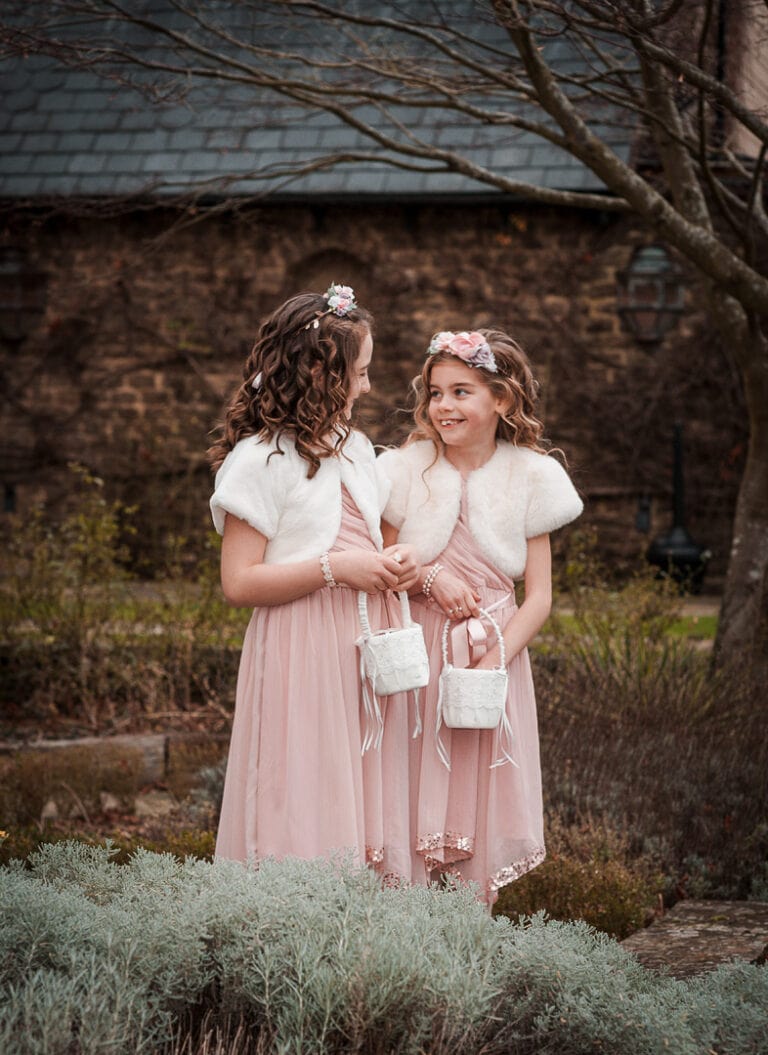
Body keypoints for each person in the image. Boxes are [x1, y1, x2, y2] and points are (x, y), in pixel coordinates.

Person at [208, 284, 419, 869]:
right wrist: (333, 569)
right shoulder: (259, 459)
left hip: (363, 644)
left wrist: (397, 564)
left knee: (361, 778)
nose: (368, 387)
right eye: (361, 373)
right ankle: (295, 919)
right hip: (301, 645)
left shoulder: (355, 449)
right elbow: (239, 583)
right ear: (319, 373)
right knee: (301, 784)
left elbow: (375, 536)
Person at [377, 328, 583, 904]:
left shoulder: (531, 476)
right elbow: (383, 560)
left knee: (476, 785)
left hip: (492, 654)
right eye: (435, 392)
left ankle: (467, 928)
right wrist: (430, 575)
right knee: (413, 781)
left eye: (461, 391)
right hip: (418, 649)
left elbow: (538, 594)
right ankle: (404, 915)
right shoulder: (403, 471)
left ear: (502, 399)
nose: (443, 406)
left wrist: (498, 657)